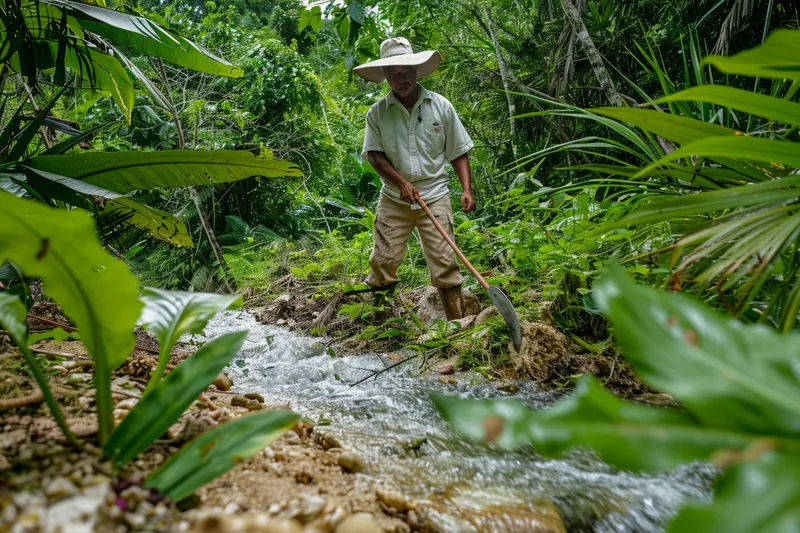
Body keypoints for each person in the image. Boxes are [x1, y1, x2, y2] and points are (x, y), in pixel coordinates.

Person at [353, 37, 475, 321]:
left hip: (435, 195)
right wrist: (401, 183)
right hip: (394, 200)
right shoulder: (377, 113)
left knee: (446, 262)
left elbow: (458, 151)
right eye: (392, 72)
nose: (400, 78)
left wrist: (466, 189)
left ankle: (457, 326)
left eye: (405, 70)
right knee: (382, 262)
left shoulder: (441, 107)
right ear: (385, 76)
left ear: (416, 71)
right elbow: (375, 156)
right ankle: (382, 326)